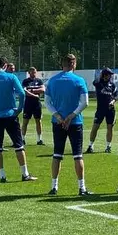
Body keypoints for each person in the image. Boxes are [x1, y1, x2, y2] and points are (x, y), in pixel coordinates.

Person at [45, 53, 92, 196]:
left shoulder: (52, 81)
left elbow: (47, 102)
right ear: (74, 64)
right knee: (77, 155)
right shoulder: (79, 80)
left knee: (57, 154)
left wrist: (58, 116)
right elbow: (85, 102)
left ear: (62, 64)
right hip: (75, 122)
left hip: (58, 122)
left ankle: (54, 187)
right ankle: (82, 188)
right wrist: (72, 115)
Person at [0, 57, 37, 182]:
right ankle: (25, 174)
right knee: (19, 145)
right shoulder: (11, 77)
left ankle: (2, 176)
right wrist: (19, 109)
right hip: (10, 114)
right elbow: (22, 93)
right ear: (5, 65)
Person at [86, 68, 117, 154]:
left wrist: (112, 101)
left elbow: (115, 96)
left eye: (110, 75)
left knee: (110, 127)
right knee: (95, 127)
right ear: (104, 75)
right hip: (100, 110)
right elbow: (94, 82)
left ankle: (108, 146)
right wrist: (100, 76)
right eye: (108, 74)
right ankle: (91, 145)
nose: (110, 76)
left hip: (110, 110)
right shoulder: (98, 83)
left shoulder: (112, 85)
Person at [21, 67, 46, 146]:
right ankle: (22, 139)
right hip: (28, 103)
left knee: (38, 121)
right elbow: (25, 92)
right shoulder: (25, 81)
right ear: (29, 73)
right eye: (32, 72)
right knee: (25, 122)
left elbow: (43, 90)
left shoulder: (39, 81)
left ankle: (39, 139)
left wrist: (32, 90)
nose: (33, 74)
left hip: (37, 104)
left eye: (34, 72)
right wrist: (35, 95)